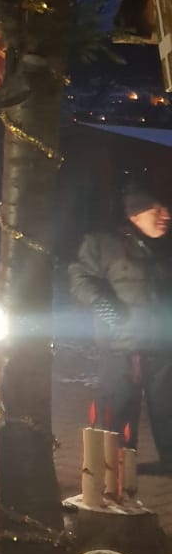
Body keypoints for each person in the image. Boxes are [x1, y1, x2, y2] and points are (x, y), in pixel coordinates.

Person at [68, 182, 172, 475]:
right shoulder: (104, 243)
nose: (166, 215)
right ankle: (120, 469)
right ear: (135, 213)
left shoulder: (166, 246)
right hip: (120, 344)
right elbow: (80, 278)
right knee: (118, 407)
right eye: (157, 209)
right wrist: (104, 305)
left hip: (163, 346)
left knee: (167, 408)